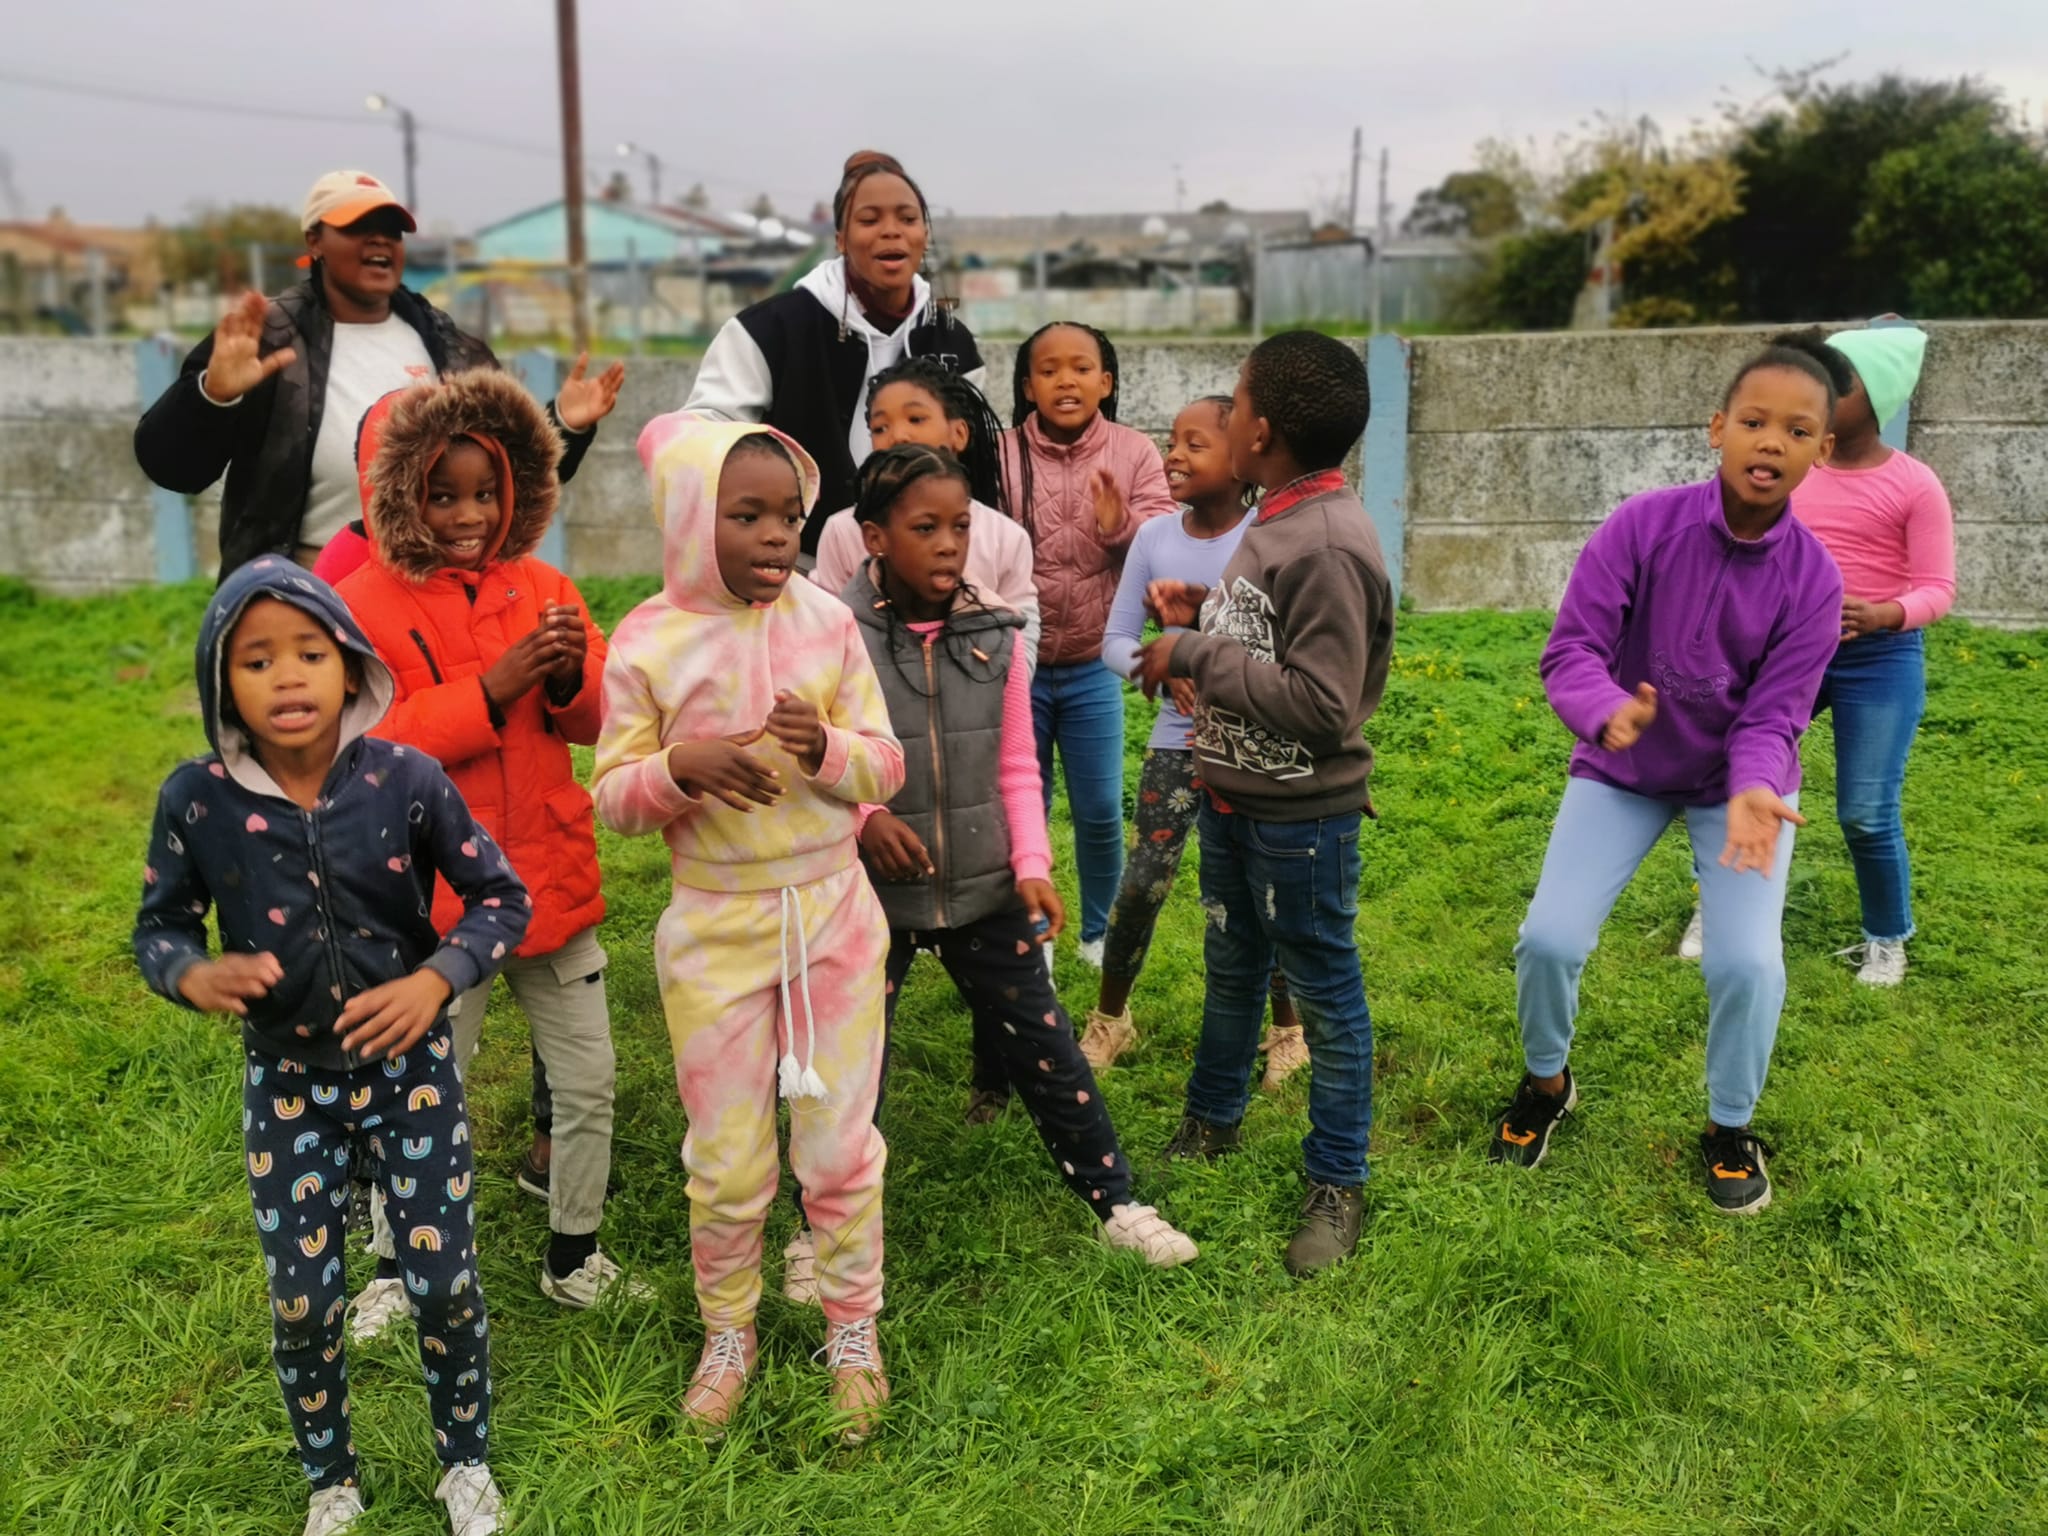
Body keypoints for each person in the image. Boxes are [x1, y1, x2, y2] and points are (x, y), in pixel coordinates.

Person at [132, 559, 527, 1536]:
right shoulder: (197, 801)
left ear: (351, 666)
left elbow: (500, 898)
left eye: (310, 652)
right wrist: (191, 973)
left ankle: (464, 1462)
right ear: (222, 682)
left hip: (412, 1074)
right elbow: (160, 928)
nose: (287, 675)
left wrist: (436, 979)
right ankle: (331, 1481)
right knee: (303, 1305)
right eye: (256, 659)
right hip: (289, 1085)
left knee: (442, 1285)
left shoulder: (408, 779)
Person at [593, 415, 903, 1443]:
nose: (777, 536)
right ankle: (728, 1330)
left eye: (790, 516)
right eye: (747, 515)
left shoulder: (828, 623)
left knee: (840, 1144)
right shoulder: (647, 641)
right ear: (690, 521)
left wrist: (827, 751)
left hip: (833, 915)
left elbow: (887, 764)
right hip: (714, 928)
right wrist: (677, 769)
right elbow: (615, 798)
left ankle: (851, 1325)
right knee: (725, 1160)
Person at [1486, 336, 1846, 1216]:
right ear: (1718, 427)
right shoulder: (1642, 526)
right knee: (1549, 939)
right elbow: (1572, 648)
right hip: (1624, 764)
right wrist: (1604, 709)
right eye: (1754, 421)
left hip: (1742, 792)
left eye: (1798, 430)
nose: (1772, 441)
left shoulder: (1815, 580)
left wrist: (1756, 784)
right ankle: (1546, 1084)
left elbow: (1776, 713)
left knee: (1748, 963)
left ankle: (1729, 1126)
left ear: (1822, 451)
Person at [830, 443, 1196, 1266]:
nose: (949, 545)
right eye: (925, 528)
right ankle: (817, 1231)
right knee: (850, 1067)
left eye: (960, 526)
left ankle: (1117, 1202)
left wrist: (1031, 867)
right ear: (874, 538)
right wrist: (864, 819)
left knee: (1049, 1047)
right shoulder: (830, 634)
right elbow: (817, 754)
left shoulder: (995, 630)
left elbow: (1017, 766)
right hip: (868, 895)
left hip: (986, 884)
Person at [330, 370, 638, 1335]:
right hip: (429, 906)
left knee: (587, 1081)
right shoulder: (355, 605)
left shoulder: (543, 586)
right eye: (441, 494)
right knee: (422, 1090)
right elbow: (358, 748)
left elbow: (602, 717)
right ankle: (396, 1264)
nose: (469, 517)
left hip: (547, 878)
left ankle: (575, 1252)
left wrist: (574, 674)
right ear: (395, 493)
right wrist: (491, 692)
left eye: (486, 492)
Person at [1136, 331, 1389, 1277]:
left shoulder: (1325, 541)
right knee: (1233, 963)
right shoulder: (1280, 518)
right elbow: (1273, 632)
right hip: (1235, 797)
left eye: (1235, 403)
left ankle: (1337, 1180)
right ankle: (1213, 1119)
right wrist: (1202, 609)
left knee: (1323, 991)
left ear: (1262, 431)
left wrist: (1195, 653)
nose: (1226, 414)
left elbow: (1323, 705)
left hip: (1302, 820)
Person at [134, 168, 622, 577]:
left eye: (391, 229)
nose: (380, 240)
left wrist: (564, 423)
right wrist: (213, 397)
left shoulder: (452, 347)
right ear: (314, 241)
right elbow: (172, 468)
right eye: (357, 227)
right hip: (307, 591)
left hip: (432, 591)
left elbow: (503, 479)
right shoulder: (268, 339)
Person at [1675, 326, 1953, 987]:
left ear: (1874, 398)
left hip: (1878, 660)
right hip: (1783, 652)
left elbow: (1938, 587)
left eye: (1836, 382)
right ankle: (1720, 910)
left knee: (1866, 810)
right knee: (1738, 781)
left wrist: (1885, 613)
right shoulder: (1792, 471)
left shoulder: (1914, 485)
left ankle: (1886, 938)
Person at [1085, 395, 1305, 1079]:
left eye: (1194, 444)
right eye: (1171, 442)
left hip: (1257, 743)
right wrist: (1159, 664)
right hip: (1179, 742)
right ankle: (1110, 1020)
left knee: (1265, 892)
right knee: (1142, 883)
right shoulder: (1154, 538)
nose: (1173, 455)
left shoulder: (1270, 534)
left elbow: (1286, 642)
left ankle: (1288, 1030)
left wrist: (1202, 655)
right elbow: (1115, 640)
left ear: (1239, 459)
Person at [684, 151, 984, 555]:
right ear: (841, 239)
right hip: (796, 565)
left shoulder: (953, 342)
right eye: (869, 220)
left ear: (924, 236)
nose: (891, 231)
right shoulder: (770, 331)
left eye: (907, 219)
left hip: (919, 567)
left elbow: (973, 460)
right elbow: (703, 437)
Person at [1004, 322, 1176, 966]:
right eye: (1048, 370)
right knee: (1026, 808)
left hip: (1092, 665)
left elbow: (1166, 539)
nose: (1065, 381)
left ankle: (1099, 932)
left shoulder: (1133, 451)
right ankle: (1033, 932)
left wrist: (1122, 524)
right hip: (1014, 667)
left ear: (1106, 381)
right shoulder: (1000, 452)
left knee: (1101, 809)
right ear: (1028, 386)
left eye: (1081, 368)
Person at [811, 356, 1040, 666]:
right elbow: (824, 627)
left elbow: (1021, 632)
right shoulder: (844, 531)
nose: (898, 436)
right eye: (880, 427)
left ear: (959, 434)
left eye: (915, 419)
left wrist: (1004, 687)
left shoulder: (1005, 537)